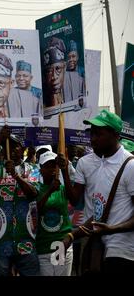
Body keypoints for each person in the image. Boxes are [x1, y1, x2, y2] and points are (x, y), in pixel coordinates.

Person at [62, 110, 134, 274]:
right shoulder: (92, 163)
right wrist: (72, 236)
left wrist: (112, 229)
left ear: (116, 135)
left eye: (98, 134)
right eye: (92, 133)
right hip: (95, 245)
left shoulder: (130, 166)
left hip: (121, 251)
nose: (92, 139)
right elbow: (97, 213)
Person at [0, 126, 40, 276]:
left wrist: (16, 175)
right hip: (1, 241)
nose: (12, 149)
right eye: (8, 146)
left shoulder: (32, 169)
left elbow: (33, 193)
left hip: (26, 241)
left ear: (22, 149)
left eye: (16, 146)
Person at [36, 151, 75, 276]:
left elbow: (74, 199)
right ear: (41, 170)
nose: (52, 169)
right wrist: (49, 191)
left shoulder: (62, 189)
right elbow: (35, 211)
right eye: (47, 166)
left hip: (60, 245)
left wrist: (64, 170)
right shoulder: (35, 189)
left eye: (54, 166)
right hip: (43, 246)